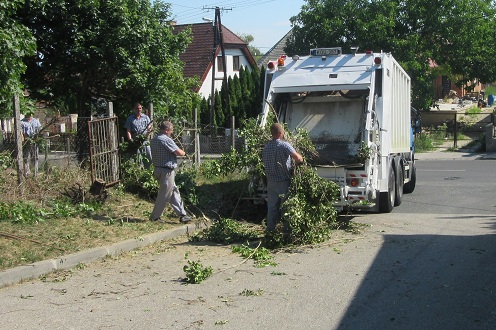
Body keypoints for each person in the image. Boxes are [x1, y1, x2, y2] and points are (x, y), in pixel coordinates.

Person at [262, 123, 303, 233]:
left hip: (271, 182)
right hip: (283, 182)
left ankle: (270, 231)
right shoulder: (284, 145)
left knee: (272, 207)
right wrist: (301, 159)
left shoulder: (266, 148)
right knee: (286, 207)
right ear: (280, 133)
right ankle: (287, 232)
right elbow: (298, 158)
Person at [149, 121, 192, 223]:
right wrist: (184, 152)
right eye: (171, 131)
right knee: (165, 194)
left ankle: (182, 215)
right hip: (166, 171)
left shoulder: (154, 139)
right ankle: (155, 217)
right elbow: (179, 152)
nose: (172, 133)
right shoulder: (166, 140)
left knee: (173, 192)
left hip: (158, 169)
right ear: (166, 130)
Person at [124, 103, 152, 167]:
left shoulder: (146, 117)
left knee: (148, 156)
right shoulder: (130, 119)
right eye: (137, 108)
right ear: (134, 109)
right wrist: (130, 140)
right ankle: (139, 171)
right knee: (137, 157)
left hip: (145, 140)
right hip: (135, 140)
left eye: (140, 108)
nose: (139, 110)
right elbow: (128, 131)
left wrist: (148, 132)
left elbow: (149, 128)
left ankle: (149, 170)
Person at [21, 112, 42, 177]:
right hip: (26, 141)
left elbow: (40, 130)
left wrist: (39, 138)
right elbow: (21, 133)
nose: (29, 115)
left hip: (34, 141)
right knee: (26, 157)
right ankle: (26, 172)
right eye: (28, 114)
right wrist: (22, 141)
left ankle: (35, 172)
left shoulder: (36, 121)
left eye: (30, 114)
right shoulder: (22, 122)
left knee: (35, 157)